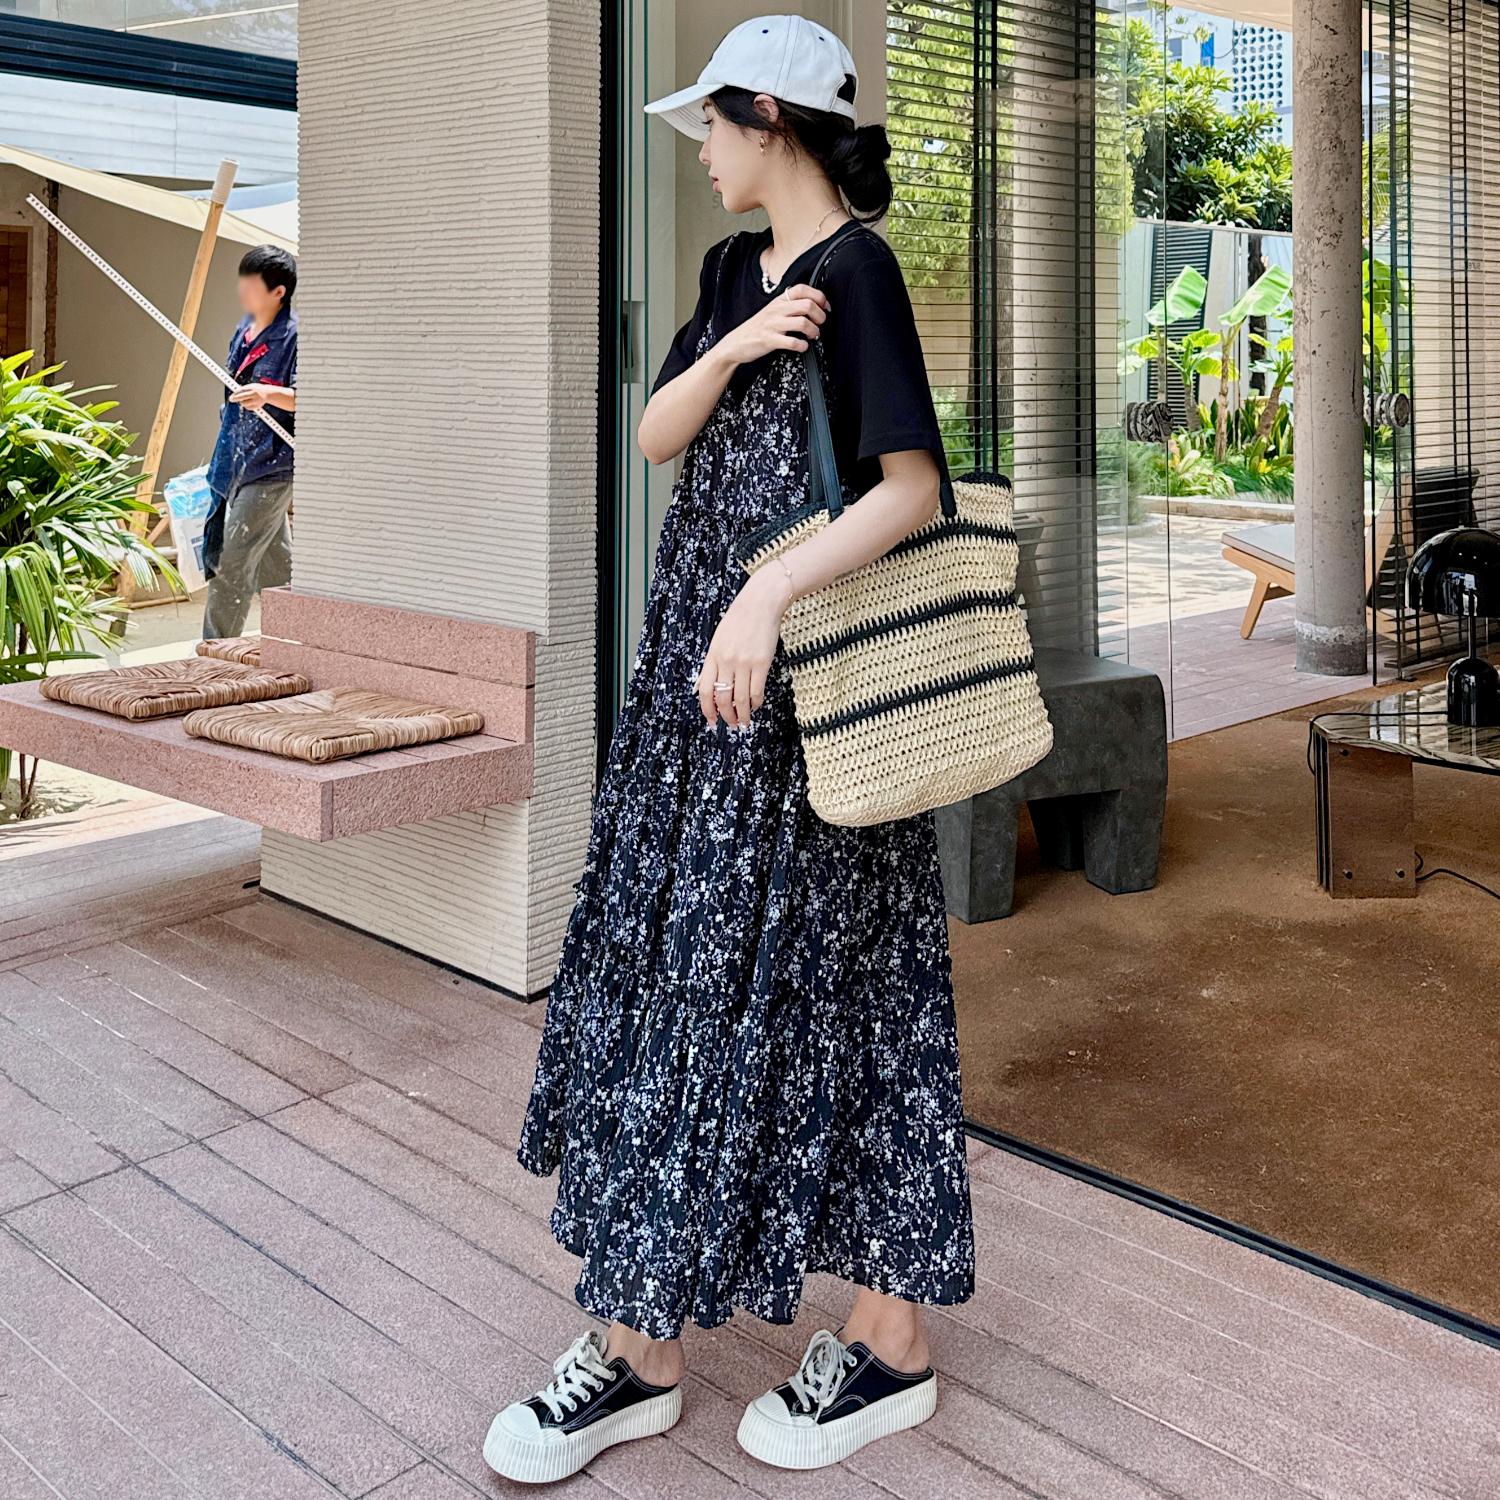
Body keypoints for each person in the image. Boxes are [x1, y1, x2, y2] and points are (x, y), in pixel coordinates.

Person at [484, 15, 973, 1485]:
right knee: (689, 975)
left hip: (805, 698)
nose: (698, 147)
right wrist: (743, 342)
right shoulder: (731, 273)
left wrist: (765, 592)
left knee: (843, 994)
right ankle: (653, 1342)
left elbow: (913, 490)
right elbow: (655, 437)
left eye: (711, 121)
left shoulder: (861, 272)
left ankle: (865, 1341)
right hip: (699, 695)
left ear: (768, 119)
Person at [201, 244, 297, 641]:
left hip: (271, 466)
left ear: (278, 292)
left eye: (252, 285)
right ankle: (297, 638)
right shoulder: (244, 330)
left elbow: (311, 397)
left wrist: (267, 393)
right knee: (278, 567)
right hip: (234, 461)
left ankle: (213, 654)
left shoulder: (295, 337)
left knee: (232, 563)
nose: (242, 290)